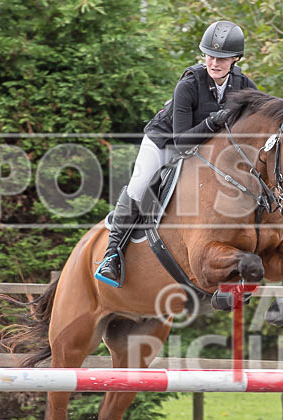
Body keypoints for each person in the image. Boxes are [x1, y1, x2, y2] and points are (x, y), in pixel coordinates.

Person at [95, 20, 258, 287]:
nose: (214, 62)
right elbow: (181, 142)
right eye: (210, 55)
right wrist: (212, 122)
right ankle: (112, 254)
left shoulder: (244, 85)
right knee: (139, 185)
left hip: (206, 150)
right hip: (165, 141)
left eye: (222, 58)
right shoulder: (189, 83)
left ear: (235, 59)